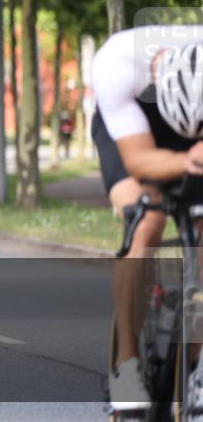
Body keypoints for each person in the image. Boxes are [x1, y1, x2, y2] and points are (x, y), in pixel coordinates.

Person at [91, 29, 203, 412]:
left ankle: (196, 365)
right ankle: (127, 365)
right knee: (146, 221)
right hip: (136, 130)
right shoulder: (118, 64)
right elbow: (138, 160)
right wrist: (186, 160)